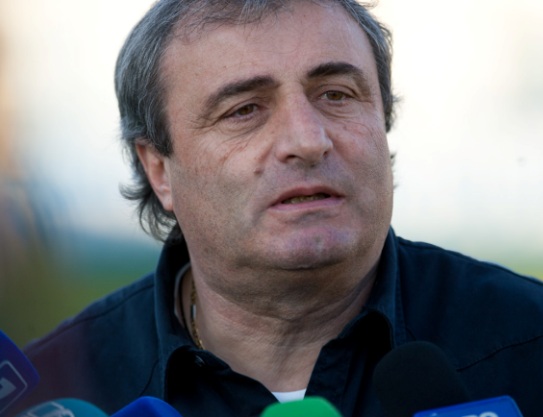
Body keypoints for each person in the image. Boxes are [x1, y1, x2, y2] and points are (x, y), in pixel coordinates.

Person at [15, 1, 543, 417]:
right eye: (244, 109)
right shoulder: (53, 393)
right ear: (159, 170)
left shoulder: (528, 343)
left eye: (336, 95)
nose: (308, 141)